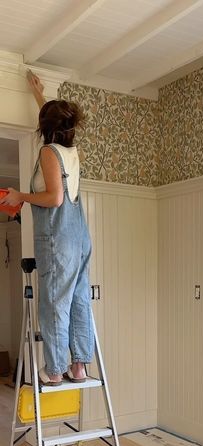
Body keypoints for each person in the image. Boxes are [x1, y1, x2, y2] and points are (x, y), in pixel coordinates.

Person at [0, 72, 94, 386]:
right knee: (78, 298)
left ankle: (54, 370)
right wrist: (39, 95)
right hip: (79, 236)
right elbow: (55, 124)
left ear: (46, 129)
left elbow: (53, 198)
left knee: (54, 301)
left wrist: (20, 196)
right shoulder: (70, 150)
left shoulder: (48, 152)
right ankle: (79, 366)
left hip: (59, 240)